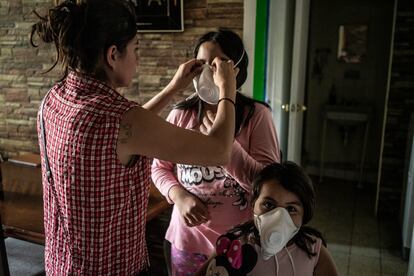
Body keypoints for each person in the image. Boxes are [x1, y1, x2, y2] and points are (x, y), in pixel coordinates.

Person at [30, 1, 239, 275]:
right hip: (110, 269)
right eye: (136, 49)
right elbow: (219, 150)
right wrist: (227, 88)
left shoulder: (53, 99)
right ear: (113, 54)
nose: (138, 59)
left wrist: (173, 88)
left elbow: (124, 134)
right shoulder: (122, 119)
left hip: (61, 263)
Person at [151, 28, 281, 275]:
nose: (207, 73)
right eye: (201, 65)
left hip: (240, 245)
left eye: (217, 65)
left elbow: (269, 186)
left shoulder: (257, 117)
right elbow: (160, 167)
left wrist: (226, 146)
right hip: (187, 243)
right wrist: (178, 195)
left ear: (236, 71)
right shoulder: (180, 115)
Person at [196, 162, 339, 276]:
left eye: (291, 209)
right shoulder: (234, 246)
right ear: (253, 205)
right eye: (268, 204)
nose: (278, 218)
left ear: (305, 215)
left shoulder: (314, 251)